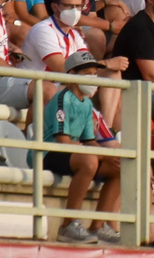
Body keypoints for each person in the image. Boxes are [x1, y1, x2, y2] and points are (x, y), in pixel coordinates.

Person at [41, 51, 124, 244]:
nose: (93, 79)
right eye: (87, 74)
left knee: (119, 166)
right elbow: (62, 141)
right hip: (48, 152)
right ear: (72, 75)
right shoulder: (63, 99)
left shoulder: (86, 103)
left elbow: (89, 141)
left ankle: (97, 226)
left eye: (95, 74)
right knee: (89, 160)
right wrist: (98, 154)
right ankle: (68, 225)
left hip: (73, 154)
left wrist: (106, 154)